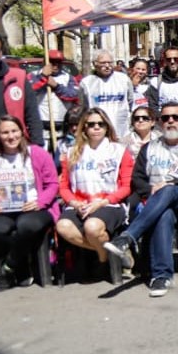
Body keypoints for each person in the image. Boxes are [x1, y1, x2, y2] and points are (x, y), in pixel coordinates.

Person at [101, 103, 178, 296]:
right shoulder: (149, 148)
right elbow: (138, 179)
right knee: (164, 214)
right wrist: (152, 190)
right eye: (166, 118)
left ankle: (128, 237)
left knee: (168, 190)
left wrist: (171, 186)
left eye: (176, 117)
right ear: (160, 122)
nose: (171, 121)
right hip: (157, 204)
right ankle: (161, 277)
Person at [0, 116, 58, 290]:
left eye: (14, 131)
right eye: (5, 132)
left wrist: (39, 202)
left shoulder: (38, 153)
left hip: (35, 208)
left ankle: (9, 266)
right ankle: (22, 264)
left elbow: (53, 184)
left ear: (22, 132)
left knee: (27, 225)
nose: (11, 136)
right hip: (2, 210)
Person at [56, 108, 133, 270]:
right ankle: (108, 256)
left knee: (92, 227)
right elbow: (63, 187)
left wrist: (101, 203)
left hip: (109, 204)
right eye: (91, 124)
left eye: (101, 124)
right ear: (84, 127)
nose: (96, 127)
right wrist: (75, 203)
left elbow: (127, 187)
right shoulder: (71, 152)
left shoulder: (119, 151)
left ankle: (103, 258)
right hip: (79, 204)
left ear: (107, 127)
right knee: (62, 226)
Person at [77, 50, 135, 136]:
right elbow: (83, 107)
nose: (107, 66)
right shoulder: (86, 83)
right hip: (98, 131)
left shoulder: (123, 79)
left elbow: (130, 100)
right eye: (103, 63)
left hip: (122, 131)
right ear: (95, 64)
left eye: (110, 62)